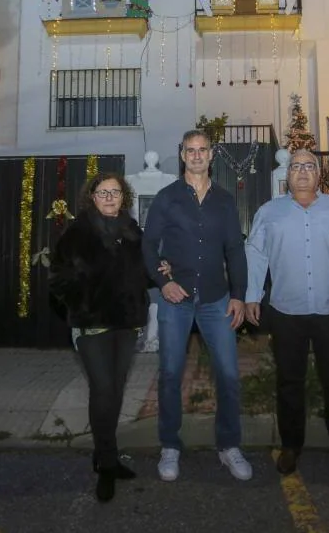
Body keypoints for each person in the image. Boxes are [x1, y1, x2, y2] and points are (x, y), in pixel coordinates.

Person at [244, 149, 329, 479]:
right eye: (296, 166)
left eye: (309, 166)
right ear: (288, 173)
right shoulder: (269, 212)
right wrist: (252, 295)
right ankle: (290, 446)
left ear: (319, 173)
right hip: (286, 309)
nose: (302, 171)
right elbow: (255, 256)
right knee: (289, 382)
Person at [142, 129, 251, 482]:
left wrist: (239, 295)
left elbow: (235, 249)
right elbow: (148, 245)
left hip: (217, 299)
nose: (197, 155)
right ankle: (170, 446)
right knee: (171, 374)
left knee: (229, 375)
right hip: (177, 300)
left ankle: (229, 446)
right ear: (182, 154)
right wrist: (164, 282)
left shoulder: (224, 200)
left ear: (211, 155)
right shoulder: (167, 198)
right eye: (191, 150)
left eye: (203, 149)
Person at [49, 173, 149, 502]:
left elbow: (143, 273)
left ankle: (105, 453)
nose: (109, 197)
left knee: (115, 391)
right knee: (103, 389)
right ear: (92, 197)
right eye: (102, 192)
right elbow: (58, 279)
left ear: (125, 197)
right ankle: (107, 464)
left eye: (115, 192)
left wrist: (160, 272)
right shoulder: (77, 233)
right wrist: (83, 304)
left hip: (126, 324)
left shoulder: (133, 232)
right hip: (92, 326)